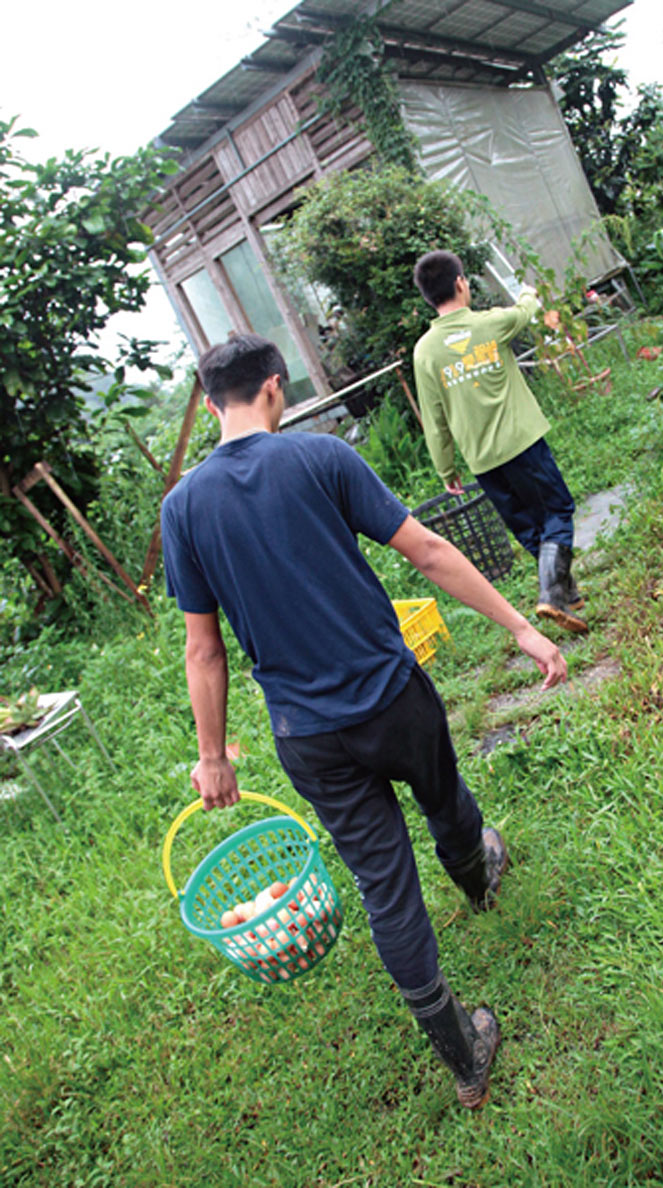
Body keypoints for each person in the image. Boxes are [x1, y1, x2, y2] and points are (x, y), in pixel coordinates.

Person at [161, 334, 567, 1109]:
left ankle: (461, 1050)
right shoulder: (321, 460)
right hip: (390, 695)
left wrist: (214, 756)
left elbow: (202, 650)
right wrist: (519, 626)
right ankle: (477, 876)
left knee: (385, 887)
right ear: (274, 388)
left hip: (307, 735)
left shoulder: (182, 509)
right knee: (443, 796)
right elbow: (427, 549)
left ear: (211, 403)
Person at [412, 249, 587, 634]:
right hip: (523, 443)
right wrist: (527, 292)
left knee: (527, 526)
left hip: (483, 460)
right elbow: (525, 311)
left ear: (428, 295)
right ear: (461, 284)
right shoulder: (490, 324)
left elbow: (434, 420)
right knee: (557, 510)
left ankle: (567, 595)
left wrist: (447, 468)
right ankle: (552, 592)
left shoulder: (424, 351)